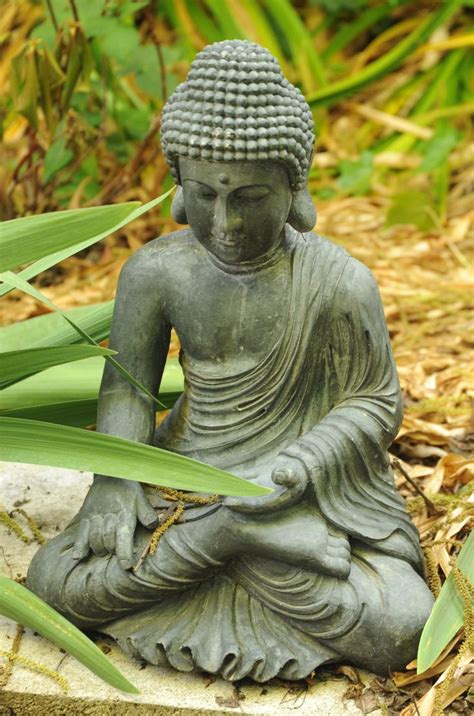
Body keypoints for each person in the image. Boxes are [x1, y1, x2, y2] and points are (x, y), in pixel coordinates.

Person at [27, 40, 433, 682]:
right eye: (205, 195)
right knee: (52, 581)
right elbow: (126, 389)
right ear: (179, 188)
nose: (227, 221)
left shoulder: (338, 281)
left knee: (401, 624)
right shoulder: (157, 271)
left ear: (294, 188)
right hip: (186, 481)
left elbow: (376, 401)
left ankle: (234, 536)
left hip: (302, 492)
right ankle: (233, 537)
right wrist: (114, 481)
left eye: (250, 196)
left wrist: (300, 464)